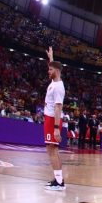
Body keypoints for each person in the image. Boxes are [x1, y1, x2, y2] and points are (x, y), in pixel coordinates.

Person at [43, 47, 67, 190]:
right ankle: (58, 179)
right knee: (53, 150)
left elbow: (58, 108)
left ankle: (59, 183)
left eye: (50, 70)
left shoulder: (58, 87)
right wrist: (51, 58)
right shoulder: (55, 82)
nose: (48, 71)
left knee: (51, 150)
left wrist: (57, 128)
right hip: (50, 119)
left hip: (53, 121)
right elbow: (54, 67)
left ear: (56, 72)